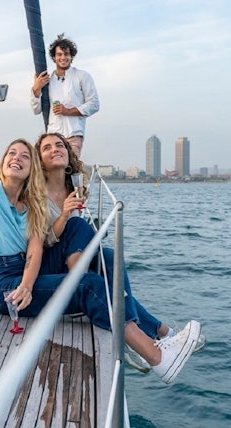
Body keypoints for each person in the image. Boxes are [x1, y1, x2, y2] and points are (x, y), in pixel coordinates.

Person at [0, 92, 201, 384]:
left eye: (24, 156)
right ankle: (157, 357)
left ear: (32, 169)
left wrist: (28, 283)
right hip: (3, 281)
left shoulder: (30, 205)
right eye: (11, 154)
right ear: (2, 163)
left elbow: (34, 251)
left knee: (102, 259)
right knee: (89, 284)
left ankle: (149, 336)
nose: (17, 158)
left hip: (25, 271)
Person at [36, 131, 205, 372]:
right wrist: (64, 215)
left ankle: (159, 335)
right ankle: (156, 335)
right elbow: (40, 241)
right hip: (49, 262)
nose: (55, 149)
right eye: (47, 147)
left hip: (69, 256)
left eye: (59, 145)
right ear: (40, 161)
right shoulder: (36, 193)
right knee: (77, 225)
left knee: (109, 257)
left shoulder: (73, 187)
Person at [30, 34, 99, 158]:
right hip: (53, 136)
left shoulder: (82, 76)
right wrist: (36, 88)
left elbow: (94, 104)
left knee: (70, 168)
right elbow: (36, 110)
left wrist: (68, 111)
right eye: (59, 54)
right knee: (49, 168)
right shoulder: (47, 80)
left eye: (66, 54)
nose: (63, 57)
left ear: (71, 56)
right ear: (54, 57)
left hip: (73, 135)